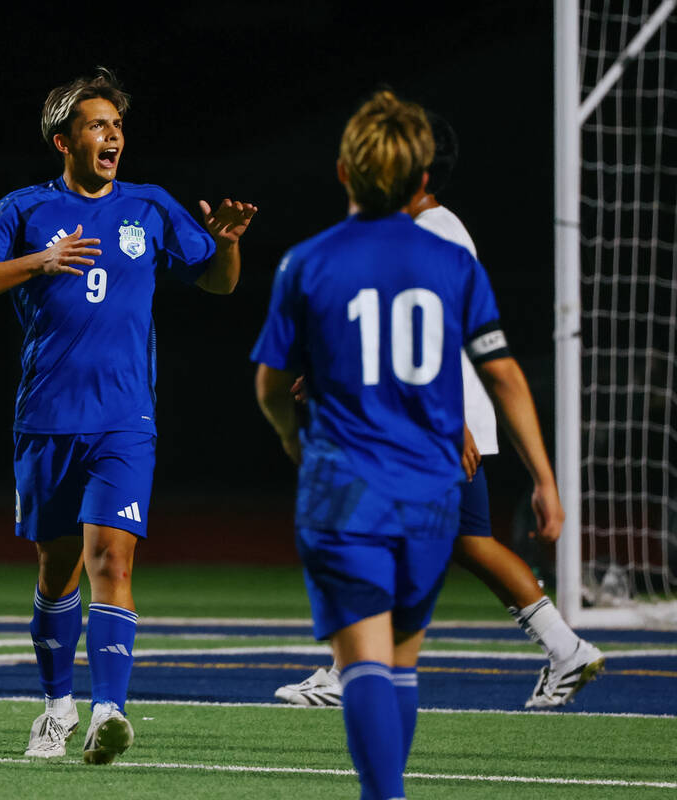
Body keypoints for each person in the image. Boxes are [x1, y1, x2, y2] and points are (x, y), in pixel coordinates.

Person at [0, 68, 256, 764]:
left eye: (116, 124)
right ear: (63, 140)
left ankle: (107, 712)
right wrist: (39, 262)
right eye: (96, 124)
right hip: (47, 417)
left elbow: (217, 281)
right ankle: (56, 707)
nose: (112, 135)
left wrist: (226, 243)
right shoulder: (23, 210)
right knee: (57, 572)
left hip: (124, 420)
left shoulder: (149, 206)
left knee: (111, 560)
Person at [252, 90, 563, 799]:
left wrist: (291, 440)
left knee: (361, 661)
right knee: (399, 664)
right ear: (422, 179)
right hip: (429, 489)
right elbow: (503, 373)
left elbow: (272, 384)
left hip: (345, 486)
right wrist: (542, 477)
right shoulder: (452, 263)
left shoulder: (307, 261)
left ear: (342, 172)